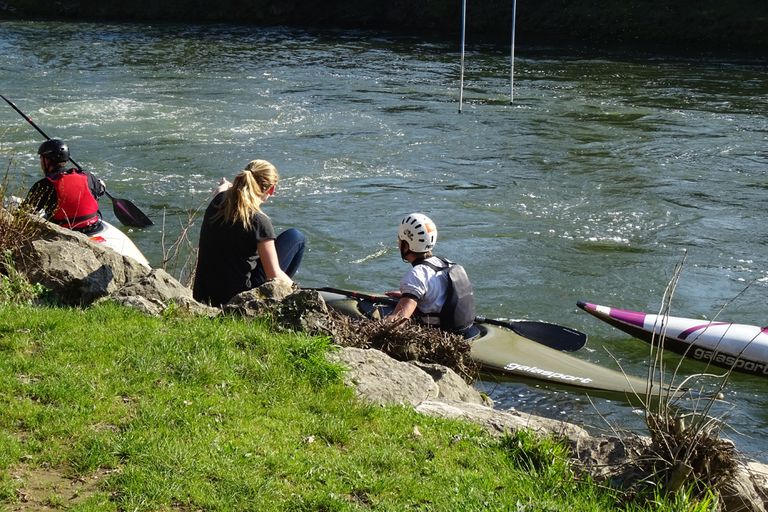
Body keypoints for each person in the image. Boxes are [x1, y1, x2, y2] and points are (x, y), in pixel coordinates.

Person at [193, 159, 305, 307]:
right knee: (296, 237)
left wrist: (226, 186)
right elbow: (273, 274)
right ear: (271, 190)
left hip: (204, 294)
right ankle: (281, 300)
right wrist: (300, 291)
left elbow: (221, 191)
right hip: (238, 299)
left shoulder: (217, 202)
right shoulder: (259, 221)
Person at [385, 212, 479, 339]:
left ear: (406, 245)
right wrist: (409, 295)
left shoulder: (416, 275)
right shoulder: (447, 263)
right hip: (466, 329)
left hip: (444, 337)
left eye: (400, 240)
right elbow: (438, 293)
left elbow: (398, 321)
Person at [22, 138, 105, 234]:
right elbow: (101, 189)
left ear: (47, 160)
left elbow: (25, 213)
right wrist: (100, 183)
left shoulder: (44, 184)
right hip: (94, 228)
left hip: (65, 232)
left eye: (41, 158)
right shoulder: (87, 176)